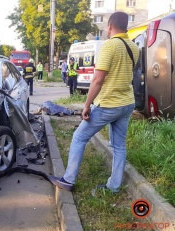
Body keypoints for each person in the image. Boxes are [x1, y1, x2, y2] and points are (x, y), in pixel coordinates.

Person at [51, 11, 139, 193]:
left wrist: (86, 105)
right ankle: (114, 187)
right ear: (126, 26)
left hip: (108, 104)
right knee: (119, 146)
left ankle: (68, 179)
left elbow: (98, 80)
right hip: (127, 103)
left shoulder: (110, 46)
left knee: (79, 137)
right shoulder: (134, 47)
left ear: (110, 26)